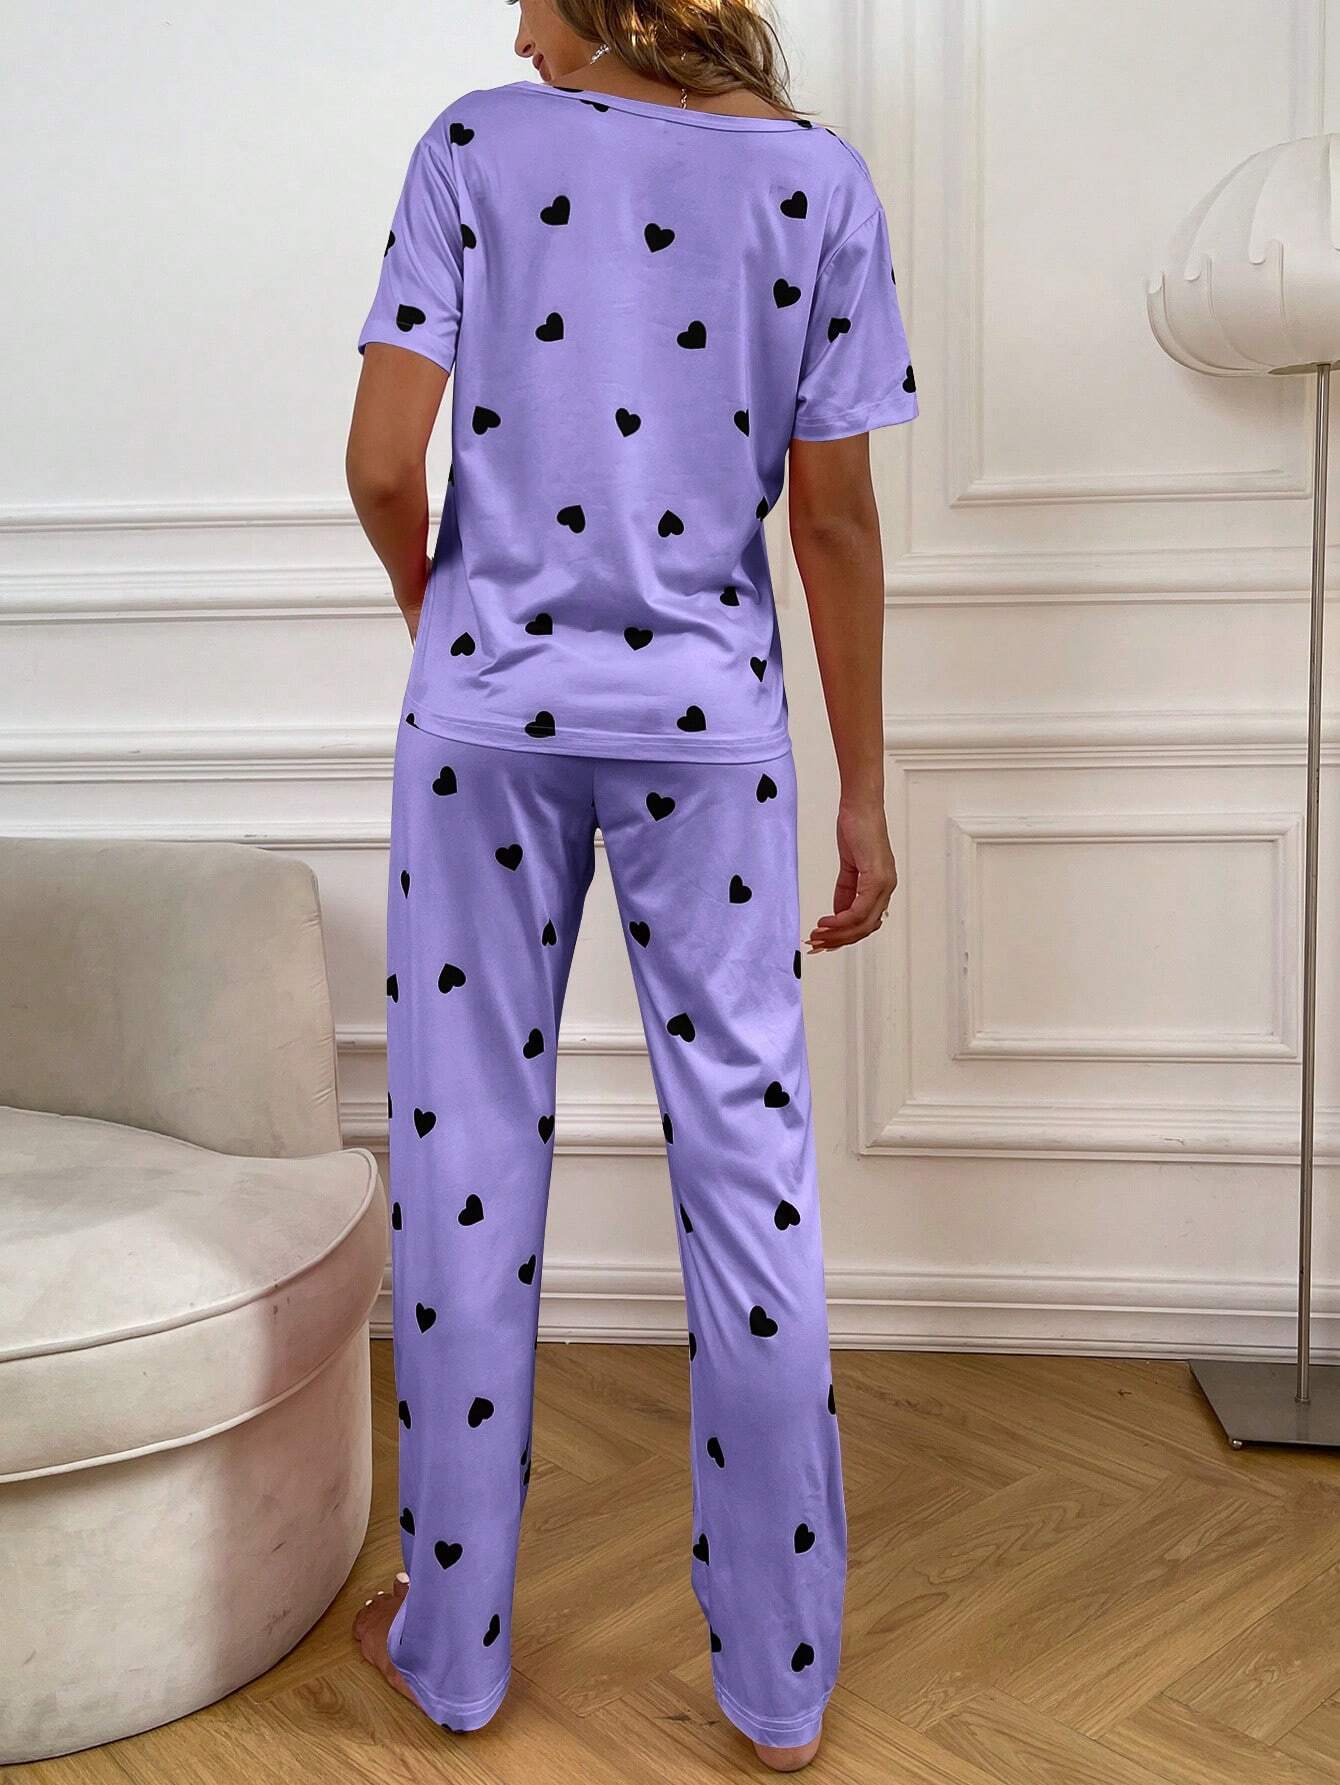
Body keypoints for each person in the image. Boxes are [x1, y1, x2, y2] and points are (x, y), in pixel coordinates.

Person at [344, 0, 917, 1770]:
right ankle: (780, 1687)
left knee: (465, 1162)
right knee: (751, 1175)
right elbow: (833, 522)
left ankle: (451, 1654)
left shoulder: (472, 147)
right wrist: (865, 781)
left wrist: (446, 618)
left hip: (482, 728)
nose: (511, 29)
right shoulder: (817, 183)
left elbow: (380, 461)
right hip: (712, 735)